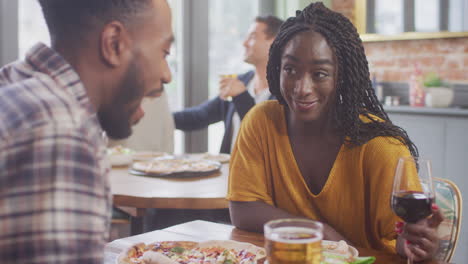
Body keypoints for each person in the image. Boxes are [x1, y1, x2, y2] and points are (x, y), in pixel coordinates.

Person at [227, 3, 443, 262]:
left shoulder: (382, 147)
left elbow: (400, 244)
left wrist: (421, 249)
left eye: (320, 74)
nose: (301, 88)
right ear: (276, 68)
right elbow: (242, 208)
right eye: (290, 70)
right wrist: (321, 232)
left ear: (341, 76)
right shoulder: (261, 122)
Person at [0, 0, 173, 263]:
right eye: (164, 52)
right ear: (114, 43)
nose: (167, 74)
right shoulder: (61, 130)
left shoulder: (15, 85)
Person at [173, 15, 283, 154]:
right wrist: (162, 118)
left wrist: (241, 97)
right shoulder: (242, 81)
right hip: (230, 172)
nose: (244, 43)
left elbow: (265, 135)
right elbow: (200, 115)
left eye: (252, 37)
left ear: (273, 43)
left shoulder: (285, 92)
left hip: (262, 175)